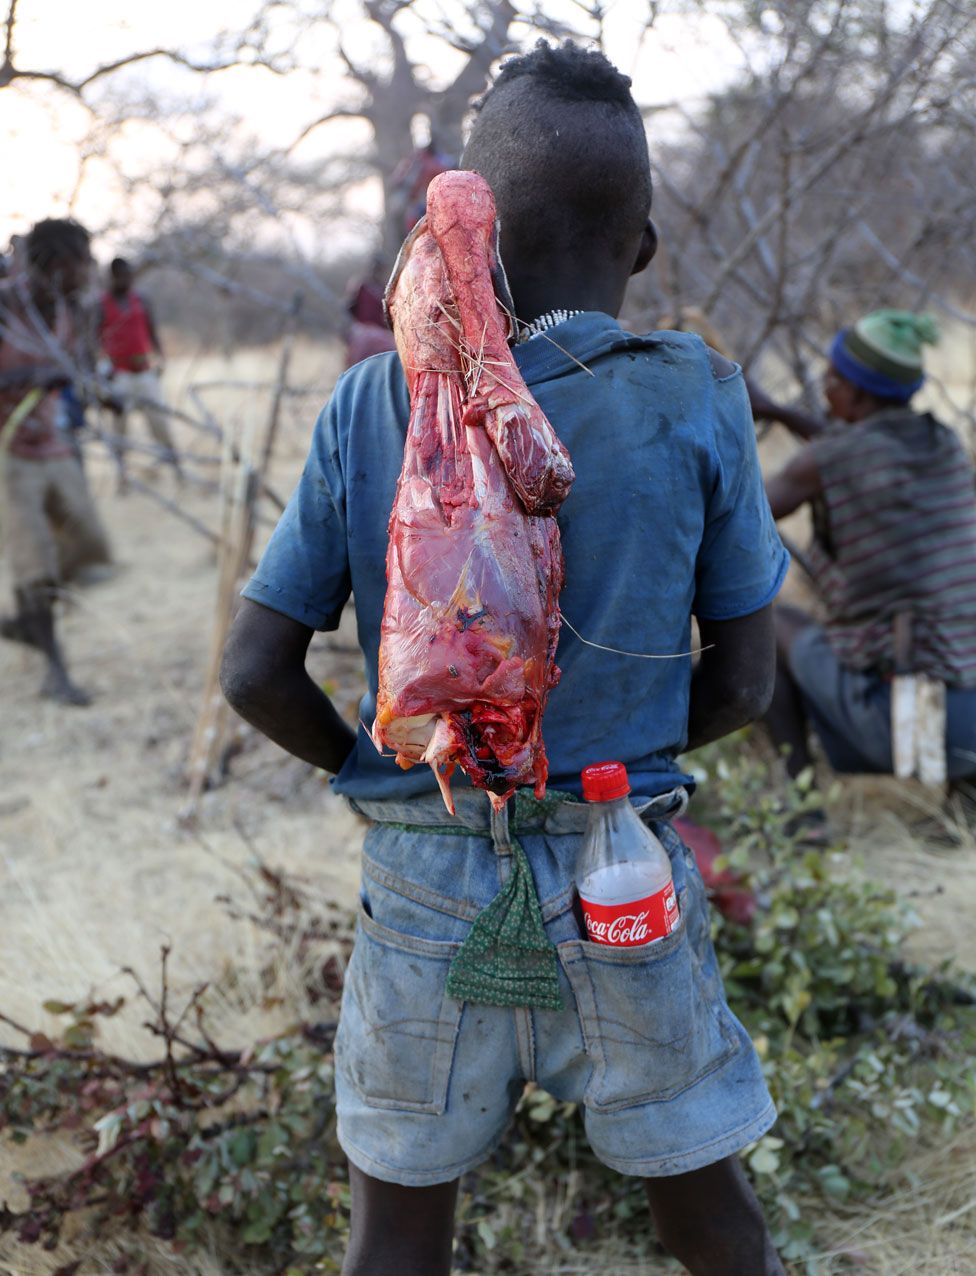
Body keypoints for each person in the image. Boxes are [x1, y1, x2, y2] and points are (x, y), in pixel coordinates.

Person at [220, 42, 789, 1276]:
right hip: (620, 872)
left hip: (424, 878)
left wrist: (374, 778)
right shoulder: (694, 395)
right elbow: (747, 681)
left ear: (458, 226)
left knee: (399, 1236)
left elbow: (254, 671)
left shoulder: (373, 402)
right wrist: (627, 749)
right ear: (641, 247)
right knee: (709, 1211)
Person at [762, 310, 976, 785]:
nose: (824, 383)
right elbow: (859, 444)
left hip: (910, 723)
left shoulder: (829, 459)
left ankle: (802, 817)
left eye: (833, 377)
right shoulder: (943, 444)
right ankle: (962, 809)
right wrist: (777, 412)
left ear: (856, 393)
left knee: (773, 627)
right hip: (970, 714)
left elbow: (744, 515)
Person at [0, 218, 113, 706]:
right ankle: (54, 671)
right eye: (83, 261)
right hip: (7, 453)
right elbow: (40, 371)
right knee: (35, 563)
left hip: (53, 444)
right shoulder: (5, 306)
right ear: (59, 265)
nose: (90, 271)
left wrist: (102, 394)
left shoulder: (72, 312)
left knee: (90, 545)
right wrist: (32, 375)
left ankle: (28, 618)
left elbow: (79, 370)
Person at [98, 257, 181, 485]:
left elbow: (152, 331)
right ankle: (121, 478)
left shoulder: (141, 299)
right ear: (113, 277)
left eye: (129, 276)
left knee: (159, 423)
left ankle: (178, 471)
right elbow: (93, 340)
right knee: (119, 429)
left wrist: (161, 358)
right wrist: (102, 369)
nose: (127, 281)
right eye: (122, 276)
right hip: (119, 373)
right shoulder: (101, 304)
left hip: (144, 371)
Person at [343, 254, 396, 369]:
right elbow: (349, 308)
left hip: (380, 333)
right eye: (374, 267)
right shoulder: (360, 285)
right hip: (362, 330)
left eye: (379, 268)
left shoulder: (385, 289)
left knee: (391, 357)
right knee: (357, 363)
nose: (376, 271)